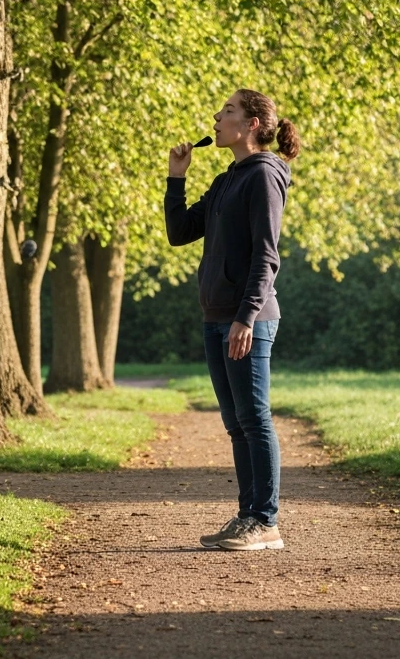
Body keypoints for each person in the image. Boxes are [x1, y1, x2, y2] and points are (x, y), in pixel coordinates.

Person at [165, 89, 301, 551]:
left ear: (253, 125)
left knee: (254, 418)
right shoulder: (228, 180)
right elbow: (180, 233)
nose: (217, 118)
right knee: (236, 422)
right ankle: (248, 517)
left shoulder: (264, 176)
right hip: (216, 316)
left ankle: (266, 522)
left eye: (227, 112)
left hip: (250, 318)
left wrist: (246, 317)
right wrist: (176, 179)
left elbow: (267, 256)